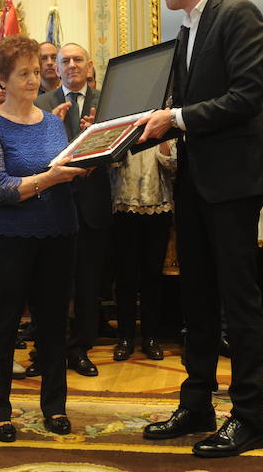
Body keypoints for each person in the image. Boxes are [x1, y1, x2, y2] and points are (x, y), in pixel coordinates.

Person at [136, 0, 263, 458]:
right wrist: (130, 132)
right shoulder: (186, 29)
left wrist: (172, 116)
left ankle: (249, 416)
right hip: (196, 182)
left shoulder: (238, 14)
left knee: (238, 301)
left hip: (234, 184)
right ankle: (197, 403)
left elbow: (246, 97)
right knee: (195, 296)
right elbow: (183, 110)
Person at [0, 34, 86, 443]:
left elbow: (64, 174)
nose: (35, 79)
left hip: (59, 233)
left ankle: (54, 406)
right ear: (2, 78)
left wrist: (84, 163)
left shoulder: (55, 123)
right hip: (8, 239)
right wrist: (50, 178)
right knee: (2, 326)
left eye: (38, 71)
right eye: (24, 73)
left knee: (54, 326)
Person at [35, 42, 112, 377]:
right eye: (64, 61)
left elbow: (120, 146)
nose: (70, 65)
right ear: (57, 68)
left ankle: (80, 348)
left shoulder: (107, 102)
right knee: (50, 282)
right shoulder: (42, 103)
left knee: (88, 282)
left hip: (92, 202)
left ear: (89, 64)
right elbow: (34, 153)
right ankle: (47, 350)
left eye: (78, 59)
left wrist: (97, 150)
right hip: (52, 204)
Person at [109, 141, 176, 362]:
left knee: (153, 275)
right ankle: (125, 337)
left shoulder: (164, 120)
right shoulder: (125, 117)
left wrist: (163, 138)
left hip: (159, 203)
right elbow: (111, 161)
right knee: (125, 275)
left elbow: (172, 163)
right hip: (124, 203)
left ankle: (151, 337)